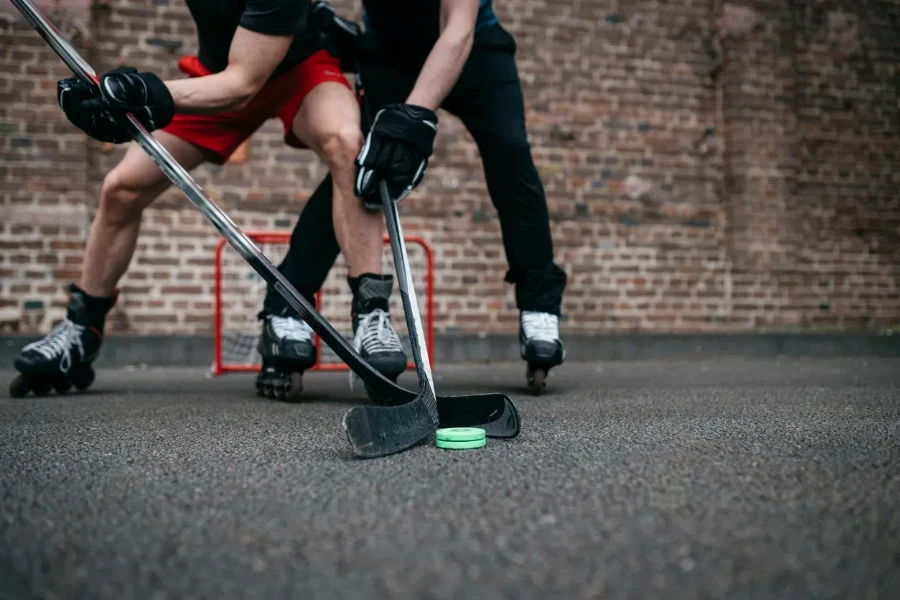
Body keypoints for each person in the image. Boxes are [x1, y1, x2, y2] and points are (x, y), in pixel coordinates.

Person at [9, 1, 407, 400]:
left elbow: (243, 84)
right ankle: (81, 331)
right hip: (218, 73)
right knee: (121, 187)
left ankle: (371, 315)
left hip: (296, 72)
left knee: (345, 143)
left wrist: (137, 93)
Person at [261, 0, 568, 394]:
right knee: (365, 168)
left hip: (474, 49)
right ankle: (288, 306)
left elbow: (458, 29)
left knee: (510, 155)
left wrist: (414, 118)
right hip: (390, 55)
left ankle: (539, 305)